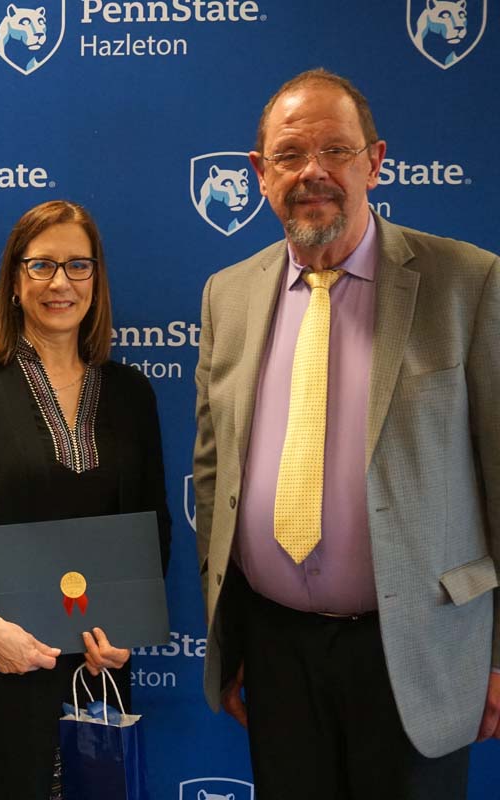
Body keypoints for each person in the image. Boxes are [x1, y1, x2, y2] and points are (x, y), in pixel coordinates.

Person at [193, 68, 500, 799]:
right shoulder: (227, 294)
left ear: (376, 161)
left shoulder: (467, 281)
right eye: (292, 155)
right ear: (259, 173)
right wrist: (232, 638)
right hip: (274, 649)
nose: (314, 173)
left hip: (418, 649)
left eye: (336, 150)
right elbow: (215, 479)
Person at [0, 200, 172, 800]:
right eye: (42, 266)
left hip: (93, 667)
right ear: (13, 279)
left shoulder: (133, 394)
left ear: (97, 279)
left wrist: (127, 626)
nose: (61, 282)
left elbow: (153, 526)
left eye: (78, 266)